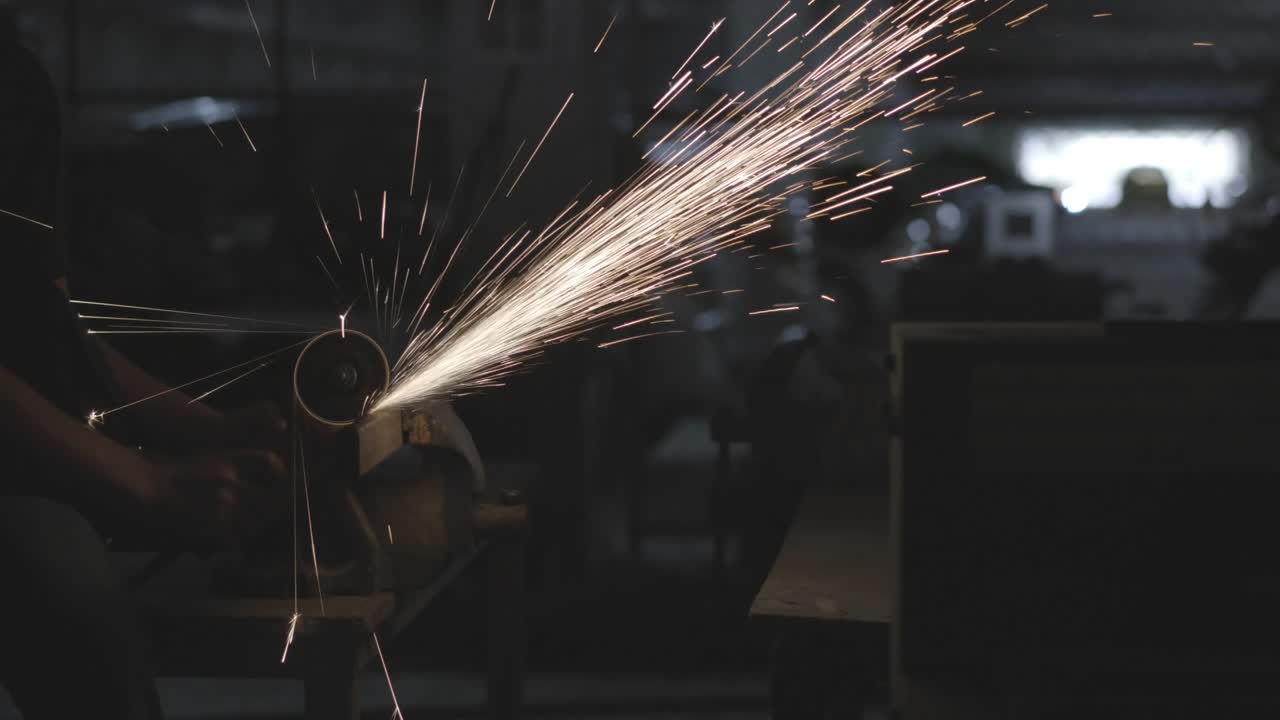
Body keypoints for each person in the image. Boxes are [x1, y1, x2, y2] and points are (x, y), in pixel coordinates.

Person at [1, 10, 287, 719]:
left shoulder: (16, 86)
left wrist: (212, 430)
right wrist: (149, 484)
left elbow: (56, 336)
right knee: (64, 579)